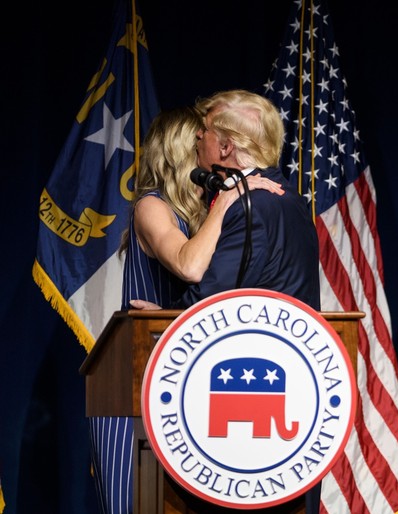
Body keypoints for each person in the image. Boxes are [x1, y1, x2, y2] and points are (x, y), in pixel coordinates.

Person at [88, 105, 284, 514]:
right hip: (134, 389)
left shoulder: (200, 219)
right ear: (181, 151)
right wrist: (228, 200)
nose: (209, 151)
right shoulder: (151, 206)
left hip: (182, 384)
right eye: (200, 142)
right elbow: (189, 266)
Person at [132, 89, 322, 512]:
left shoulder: (250, 203)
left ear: (225, 146)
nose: (196, 140)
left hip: (239, 409)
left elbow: (216, 298)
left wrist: (168, 319)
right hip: (284, 397)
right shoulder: (291, 200)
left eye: (203, 132)